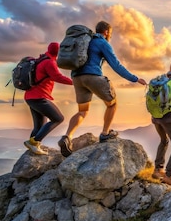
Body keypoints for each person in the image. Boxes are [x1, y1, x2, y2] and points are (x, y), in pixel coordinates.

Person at [58, 21, 147, 156]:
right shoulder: (102, 42)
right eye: (110, 34)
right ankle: (105, 133)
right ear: (106, 32)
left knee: (82, 111)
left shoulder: (86, 40)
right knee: (112, 104)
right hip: (92, 76)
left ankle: (67, 137)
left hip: (77, 77)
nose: (110, 36)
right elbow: (116, 65)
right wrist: (134, 79)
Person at [23, 42, 73, 155]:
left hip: (30, 97)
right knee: (58, 118)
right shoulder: (49, 62)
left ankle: (33, 149)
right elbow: (58, 77)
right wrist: (75, 82)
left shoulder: (40, 60)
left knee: (39, 125)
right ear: (58, 52)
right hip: (39, 97)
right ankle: (34, 143)